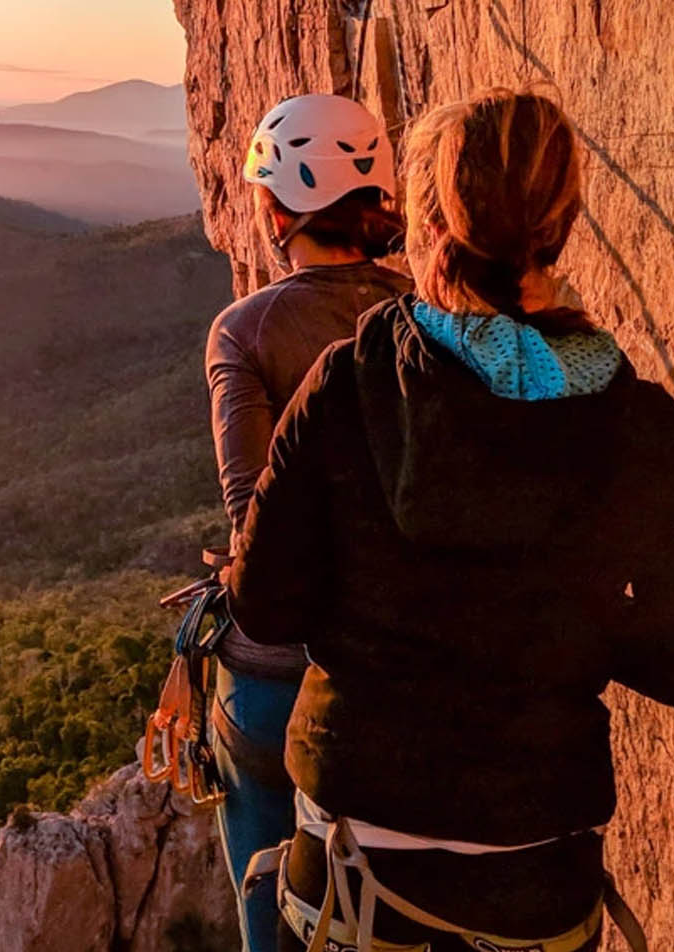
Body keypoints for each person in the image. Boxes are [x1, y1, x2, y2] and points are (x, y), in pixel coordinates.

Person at [226, 90, 674, 952]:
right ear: (565, 222)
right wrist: (574, 618)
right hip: (531, 889)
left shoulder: (348, 381)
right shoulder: (635, 423)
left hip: (352, 883)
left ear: (427, 223)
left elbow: (265, 608)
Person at [204, 92, 410, 952]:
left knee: (270, 884)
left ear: (279, 210)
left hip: (278, 671)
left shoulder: (244, 332)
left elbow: (251, 510)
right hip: (401, 655)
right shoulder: (430, 314)